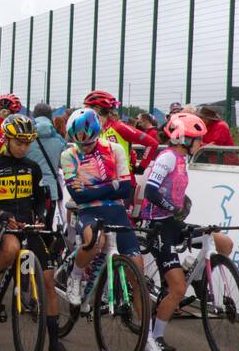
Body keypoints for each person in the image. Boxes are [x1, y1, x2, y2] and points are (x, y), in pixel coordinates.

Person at [139, 112, 234, 351]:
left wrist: (179, 206)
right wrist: (172, 207)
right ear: (183, 139)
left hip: (173, 222)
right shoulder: (168, 158)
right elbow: (150, 190)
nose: (201, 143)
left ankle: (198, 272)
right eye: (198, 139)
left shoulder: (182, 159)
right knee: (178, 288)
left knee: (224, 243)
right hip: (158, 226)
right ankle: (154, 337)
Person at [0, 113, 65, 351]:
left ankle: (54, 340)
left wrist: (42, 216)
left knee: (47, 280)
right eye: (19, 142)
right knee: (10, 249)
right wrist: (0, 214)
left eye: (27, 143)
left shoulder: (32, 168)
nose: (24, 147)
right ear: (7, 139)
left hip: (27, 225)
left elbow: (39, 201)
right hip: (0, 223)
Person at [60, 109, 139, 316]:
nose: (83, 147)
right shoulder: (68, 155)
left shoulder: (114, 150)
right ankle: (75, 276)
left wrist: (90, 189)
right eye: (79, 143)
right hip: (88, 211)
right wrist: (110, 185)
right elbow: (78, 197)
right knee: (95, 242)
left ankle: (148, 336)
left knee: (137, 272)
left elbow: (125, 188)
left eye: (88, 142)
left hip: (116, 210)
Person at [84, 90, 158, 173]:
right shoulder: (97, 130)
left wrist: (142, 167)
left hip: (123, 180)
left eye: (86, 107)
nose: (83, 111)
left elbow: (152, 143)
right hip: (106, 180)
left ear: (97, 109)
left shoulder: (119, 127)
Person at [27, 102, 67, 206]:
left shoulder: (25, 139)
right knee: (48, 221)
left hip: (28, 189)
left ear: (34, 116)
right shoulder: (59, 140)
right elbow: (64, 164)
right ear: (50, 117)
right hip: (51, 191)